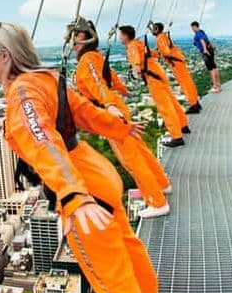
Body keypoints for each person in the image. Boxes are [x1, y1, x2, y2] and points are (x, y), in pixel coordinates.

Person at [0, 22, 157, 293]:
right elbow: (87, 113)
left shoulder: (23, 94)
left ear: (3, 56)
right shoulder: (48, 78)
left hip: (84, 188)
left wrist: (75, 196)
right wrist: (120, 127)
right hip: (98, 172)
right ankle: (147, 292)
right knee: (125, 241)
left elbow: (44, 142)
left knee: (111, 281)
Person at [71, 18, 172, 218]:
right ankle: (161, 184)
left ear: (83, 39)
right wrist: (121, 93)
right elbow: (111, 78)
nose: (73, 45)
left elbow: (99, 84)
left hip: (110, 112)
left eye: (75, 40)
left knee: (130, 159)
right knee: (140, 151)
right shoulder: (96, 57)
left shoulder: (87, 60)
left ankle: (157, 201)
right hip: (116, 106)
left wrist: (109, 105)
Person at [119, 25, 189, 148]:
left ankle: (176, 136)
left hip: (153, 79)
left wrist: (136, 72)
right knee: (171, 101)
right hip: (159, 74)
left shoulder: (131, 47)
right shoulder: (139, 43)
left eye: (120, 35)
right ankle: (183, 125)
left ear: (125, 36)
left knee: (164, 107)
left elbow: (136, 65)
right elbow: (154, 55)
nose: (120, 38)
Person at [151, 22, 202, 114]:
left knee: (185, 84)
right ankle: (196, 102)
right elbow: (162, 51)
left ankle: (194, 105)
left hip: (176, 63)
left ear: (157, 29)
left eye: (153, 29)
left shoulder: (160, 38)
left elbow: (166, 52)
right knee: (188, 82)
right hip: (178, 61)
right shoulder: (162, 36)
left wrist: (164, 57)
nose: (152, 31)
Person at [191, 20, 221, 93]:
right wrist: (213, 48)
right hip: (210, 50)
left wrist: (204, 50)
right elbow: (207, 41)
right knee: (214, 68)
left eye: (192, 28)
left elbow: (202, 41)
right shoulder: (202, 32)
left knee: (211, 69)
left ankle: (215, 87)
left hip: (206, 52)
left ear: (195, 27)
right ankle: (218, 85)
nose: (192, 30)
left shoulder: (198, 33)